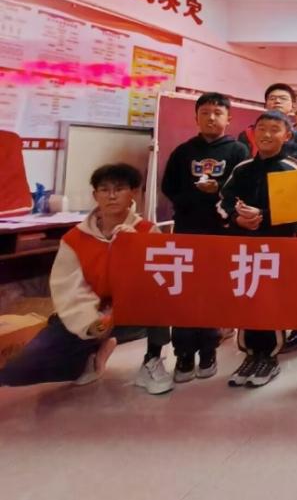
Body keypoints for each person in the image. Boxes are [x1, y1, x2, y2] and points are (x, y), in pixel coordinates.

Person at [0, 164, 173, 394]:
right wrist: (91, 323)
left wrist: (137, 248)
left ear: (133, 193)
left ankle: (152, 360)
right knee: (19, 370)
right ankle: (92, 356)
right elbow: (68, 288)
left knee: (160, 302)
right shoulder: (74, 239)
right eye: (104, 189)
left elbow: (160, 282)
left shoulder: (148, 231)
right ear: (95, 195)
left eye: (119, 189)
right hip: (90, 316)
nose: (112, 196)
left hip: (131, 316)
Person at [160, 92, 249, 382]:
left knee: (213, 293)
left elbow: (244, 190)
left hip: (221, 233)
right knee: (184, 292)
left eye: (218, 113)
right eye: (205, 113)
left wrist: (218, 191)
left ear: (228, 118)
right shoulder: (183, 151)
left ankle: (208, 351)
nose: (211, 118)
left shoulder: (238, 151)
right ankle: (183, 353)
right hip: (187, 230)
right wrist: (192, 197)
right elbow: (169, 187)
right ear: (196, 117)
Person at [219, 110, 297, 388]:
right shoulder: (242, 168)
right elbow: (224, 200)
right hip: (245, 248)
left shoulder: (291, 168)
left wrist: (263, 216)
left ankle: (269, 356)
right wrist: (236, 218)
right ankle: (250, 354)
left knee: (271, 301)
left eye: (274, 129)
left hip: (278, 248)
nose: (266, 134)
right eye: (262, 128)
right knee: (247, 297)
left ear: (287, 136)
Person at [239, 82, 295, 155]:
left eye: (283, 98)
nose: (277, 101)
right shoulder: (249, 133)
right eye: (272, 98)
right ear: (265, 105)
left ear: (293, 106)